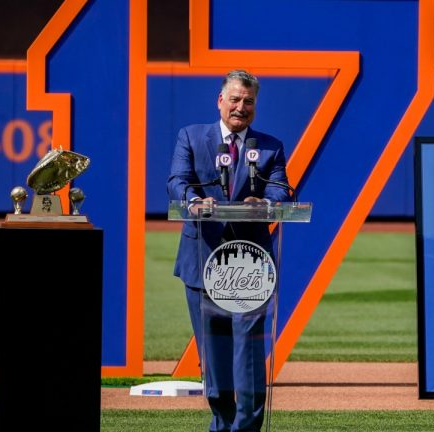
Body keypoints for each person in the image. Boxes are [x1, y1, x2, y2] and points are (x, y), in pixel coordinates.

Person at [168, 70, 290, 431]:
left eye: (248, 101)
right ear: (220, 101)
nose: (241, 107)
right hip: (202, 261)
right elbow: (177, 180)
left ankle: (247, 428)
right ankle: (222, 424)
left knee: (249, 357)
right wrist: (191, 200)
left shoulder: (270, 147)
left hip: (249, 266)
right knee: (215, 361)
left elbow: (282, 190)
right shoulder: (190, 136)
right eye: (234, 99)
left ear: (255, 105)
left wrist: (263, 202)